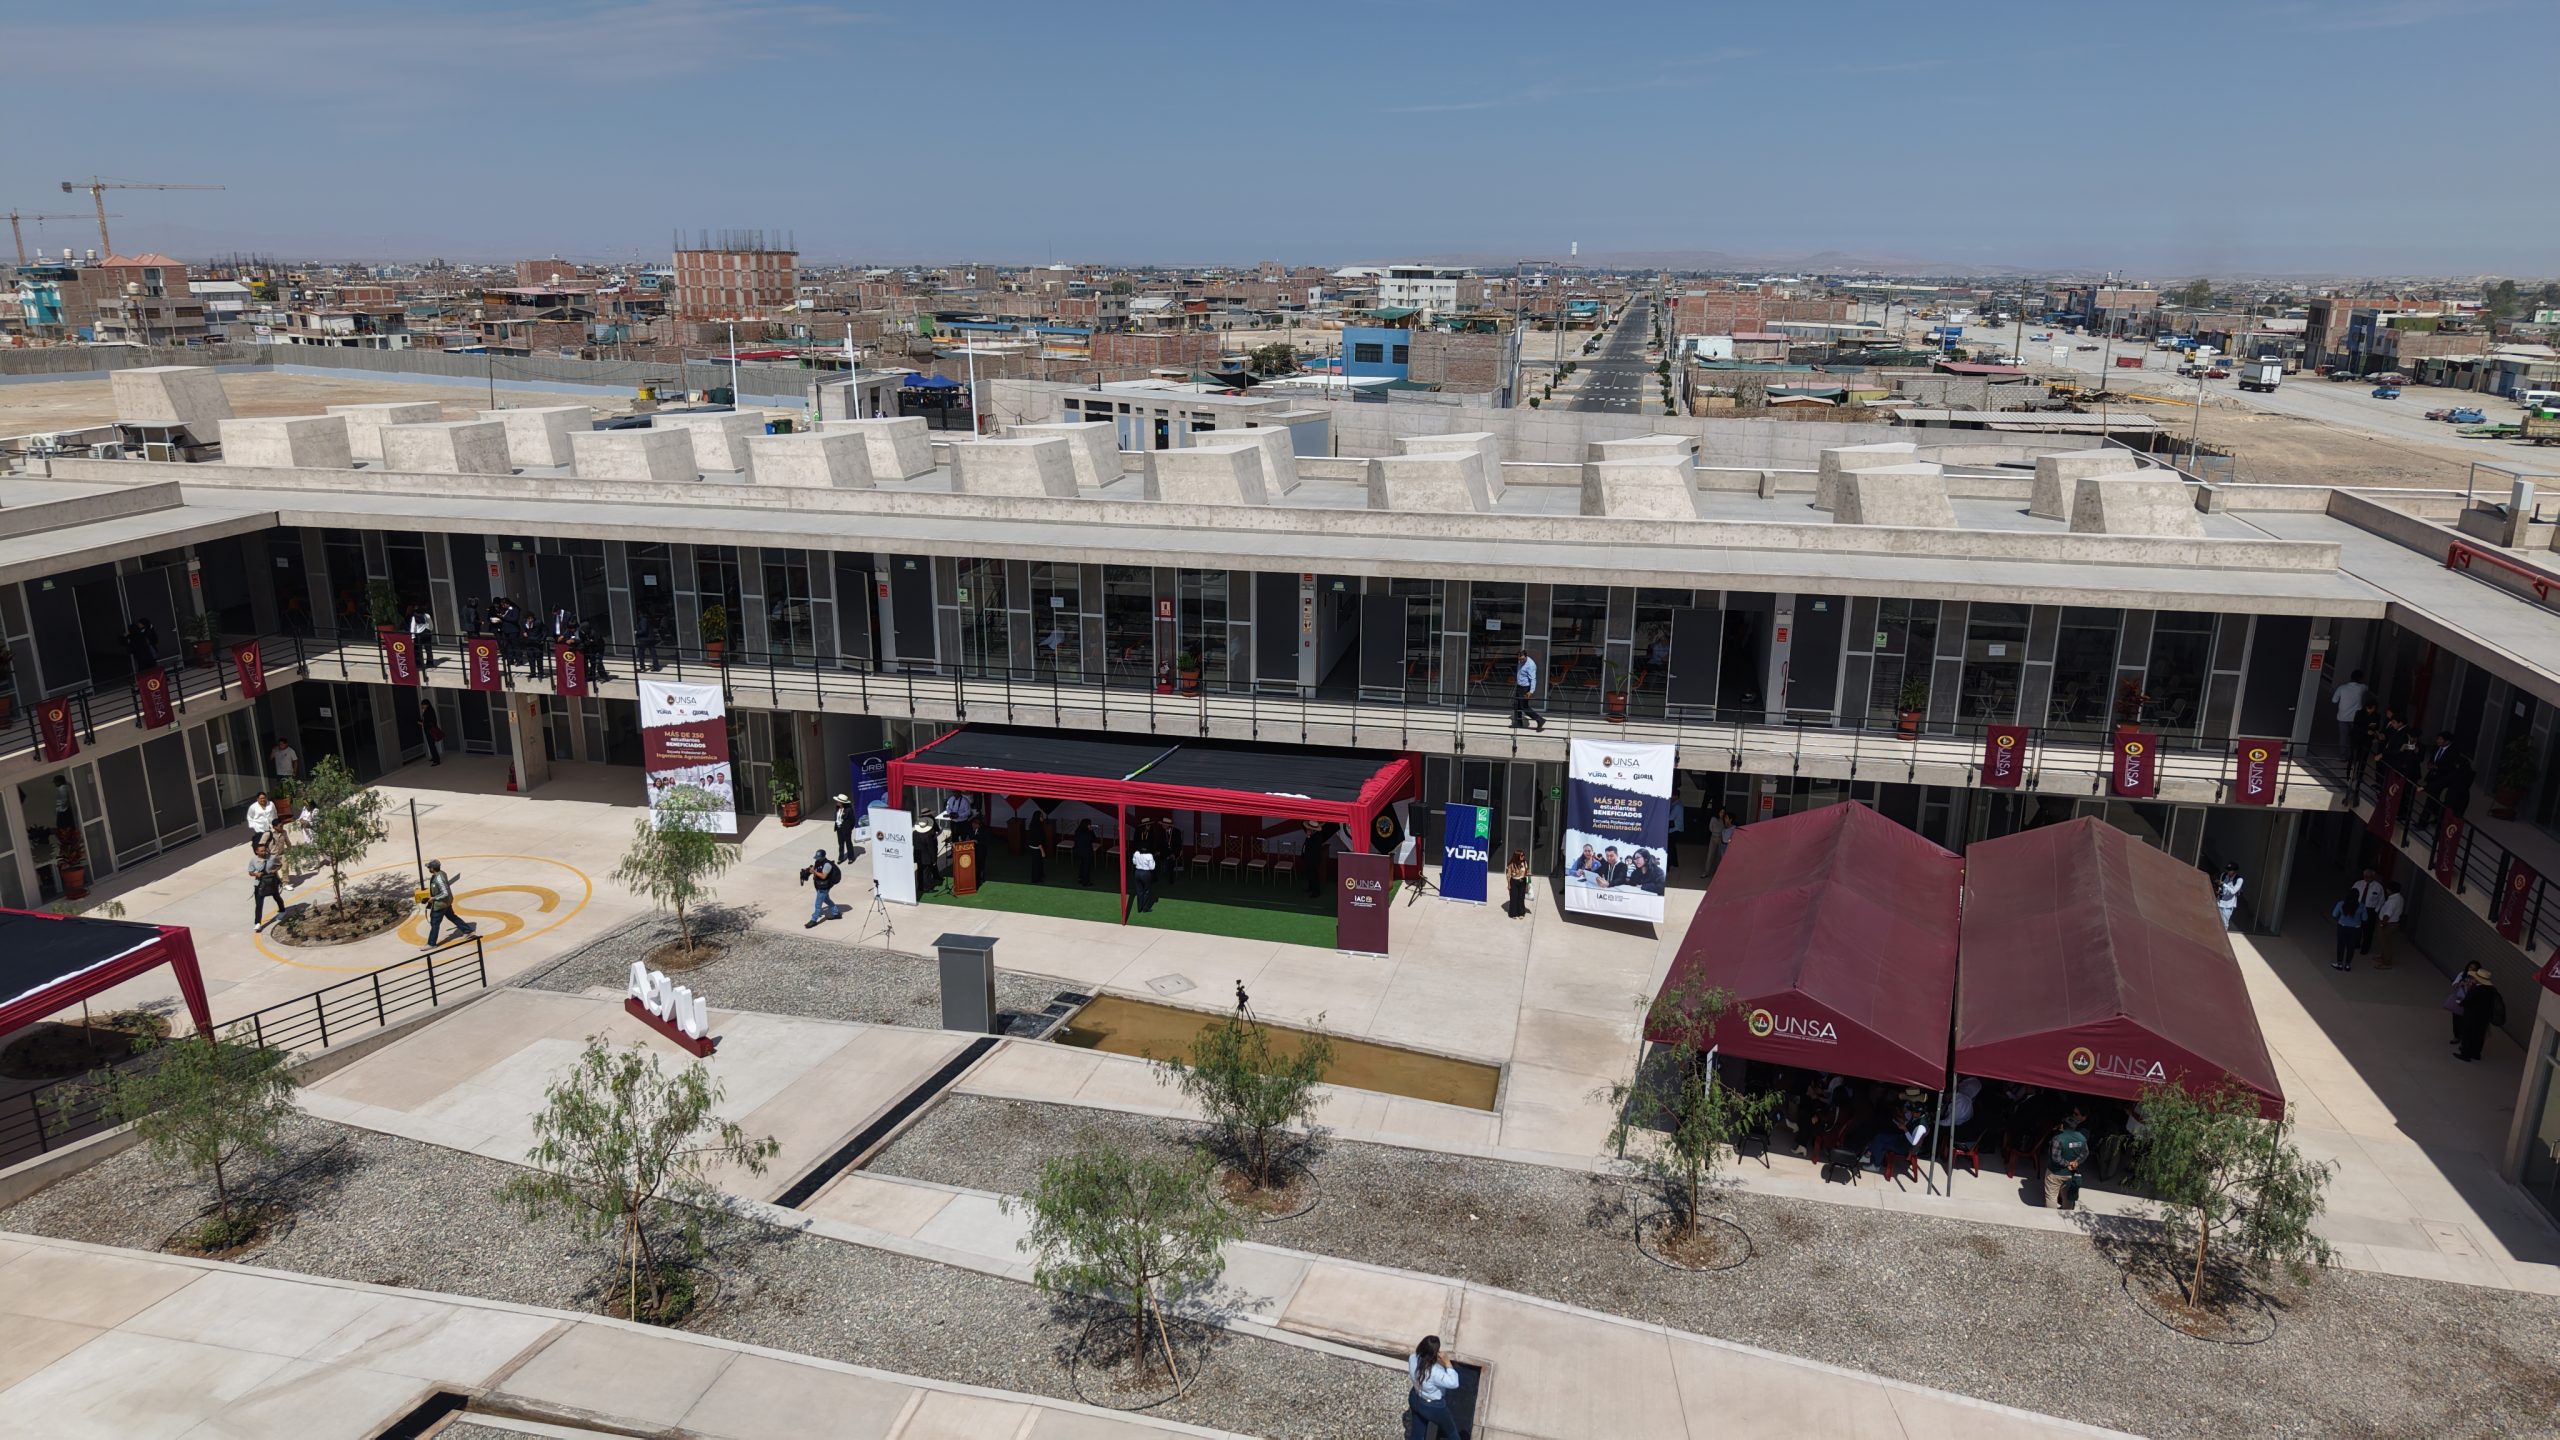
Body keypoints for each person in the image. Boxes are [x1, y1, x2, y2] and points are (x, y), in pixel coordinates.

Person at [1405, 1335, 1466, 1440]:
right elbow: (1454, 1383)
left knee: (1417, 1433)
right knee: (1451, 1431)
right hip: (1433, 1407)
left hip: (1415, 1398)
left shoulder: (1413, 1357)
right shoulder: (1434, 1372)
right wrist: (1447, 1362)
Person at [2454, 963, 2505, 1062]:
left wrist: (2461, 1002)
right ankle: (2476, 1053)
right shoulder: (2491, 990)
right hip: (2484, 1018)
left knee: (2468, 1034)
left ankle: (2465, 1054)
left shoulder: (2476, 990)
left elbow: (2466, 1002)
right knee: (2479, 1035)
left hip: (2472, 1017)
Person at [423, 859, 477, 946]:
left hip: (440, 905)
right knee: (452, 917)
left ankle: (431, 944)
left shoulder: (438, 879)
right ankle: (468, 931)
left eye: (429, 867)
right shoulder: (442, 873)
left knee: (435, 923)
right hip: (446, 903)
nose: (428, 868)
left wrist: (434, 898)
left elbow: (445, 893)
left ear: (432, 868)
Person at [2045, 1107, 2089, 1211]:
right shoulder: (2082, 1138)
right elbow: (2085, 1153)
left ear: (2063, 1125)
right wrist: (2076, 1162)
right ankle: (2066, 1216)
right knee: (2068, 1197)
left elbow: (2056, 1157)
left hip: (2055, 1172)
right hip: (2071, 1173)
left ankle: (2050, 1216)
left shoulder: (2058, 1138)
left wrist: (2067, 1164)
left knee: (2051, 1197)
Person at [2330, 668, 2369, 755]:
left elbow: (2334, 700)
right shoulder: (2361, 688)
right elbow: (2367, 688)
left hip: (2342, 716)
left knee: (2343, 737)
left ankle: (2343, 755)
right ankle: (2352, 755)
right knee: (2355, 737)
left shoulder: (2342, 688)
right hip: (2355, 718)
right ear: (2360, 679)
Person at [801, 849, 843, 927]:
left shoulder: (827, 865)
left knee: (818, 904)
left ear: (823, 857)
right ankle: (836, 913)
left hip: (824, 887)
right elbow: (814, 869)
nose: (817, 859)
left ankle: (813, 920)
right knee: (826, 899)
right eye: (816, 857)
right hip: (819, 885)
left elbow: (823, 876)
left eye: (818, 857)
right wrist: (807, 871)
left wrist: (814, 872)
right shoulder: (817, 862)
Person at [248, 839, 284, 931]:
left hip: (271, 882)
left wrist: (274, 870)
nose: (264, 852)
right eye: (261, 851)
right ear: (256, 851)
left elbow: (279, 864)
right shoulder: (253, 860)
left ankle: (282, 910)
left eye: (264, 850)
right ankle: (257, 923)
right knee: (259, 904)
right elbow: (250, 872)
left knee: (277, 897)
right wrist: (256, 874)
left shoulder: (271, 857)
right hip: (259, 884)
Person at [2328, 886, 2363, 972]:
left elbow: (2334, 914)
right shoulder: (2361, 906)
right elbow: (2365, 918)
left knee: (2341, 945)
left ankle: (2339, 964)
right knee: (2351, 947)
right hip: (2355, 929)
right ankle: (2347, 965)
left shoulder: (2341, 904)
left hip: (2342, 927)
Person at [2353, 867, 2386, 955]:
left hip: (2370, 910)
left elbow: (2381, 900)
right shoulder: (2358, 884)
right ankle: (2356, 944)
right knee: (2357, 927)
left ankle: (2365, 948)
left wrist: (2376, 910)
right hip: (2358, 908)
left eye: (2369, 877)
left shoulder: (2378, 887)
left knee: (2368, 931)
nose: (2367, 878)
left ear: (2373, 877)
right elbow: (2352, 894)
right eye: (2365, 876)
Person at [1511, 650, 1544, 732]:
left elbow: (1533, 679)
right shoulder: (1520, 661)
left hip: (1525, 688)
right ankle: (1519, 723)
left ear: (1526, 656)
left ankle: (1539, 719)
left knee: (1524, 707)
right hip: (1519, 686)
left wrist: (1531, 691)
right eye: (1519, 659)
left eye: (1522, 659)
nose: (1521, 661)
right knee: (1516, 705)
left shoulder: (1530, 665)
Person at [2375, 881, 2405, 969]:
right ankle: (2383, 957)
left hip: (2388, 924)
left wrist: (2382, 925)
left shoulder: (2392, 901)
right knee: (2387, 942)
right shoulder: (2399, 898)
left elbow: (2387, 915)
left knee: (2385, 943)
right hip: (2394, 923)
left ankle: (2386, 963)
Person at [1706, 806, 1736, 879]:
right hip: (1716, 840)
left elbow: (1730, 834)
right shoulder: (1715, 820)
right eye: (1721, 812)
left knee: (1720, 858)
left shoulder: (1729, 825)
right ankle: (1707, 872)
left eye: (1723, 813)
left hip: (1723, 843)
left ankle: (1718, 873)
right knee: (1711, 856)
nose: (1722, 814)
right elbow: (1711, 828)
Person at [1025, 808, 1052, 885]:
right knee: (1036, 864)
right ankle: (1035, 879)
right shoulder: (1037, 827)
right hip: (1037, 848)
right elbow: (1038, 840)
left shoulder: (1034, 824)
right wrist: (1042, 851)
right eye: (1041, 816)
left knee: (1039, 863)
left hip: (1034, 847)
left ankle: (1040, 875)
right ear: (1038, 817)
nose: (1042, 818)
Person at [2214, 863, 2243, 931]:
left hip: (2228, 905)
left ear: (2235, 871)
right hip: (2219, 902)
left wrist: (2224, 884)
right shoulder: (2224, 875)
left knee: (2224, 924)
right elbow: (2221, 887)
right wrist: (2219, 890)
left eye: (2230, 870)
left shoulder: (2239, 879)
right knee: (2216, 922)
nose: (2228, 871)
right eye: (2228, 870)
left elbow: (2233, 891)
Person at [831, 793, 859, 863]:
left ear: (842, 802)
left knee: (848, 843)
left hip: (846, 829)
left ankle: (851, 857)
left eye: (838, 801)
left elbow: (852, 820)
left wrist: (849, 828)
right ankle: (841, 857)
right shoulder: (837, 808)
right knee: (840, 844)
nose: (837, 802)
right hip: (839, 829)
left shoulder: (848, 810)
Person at [1130, 840, 1157, 912]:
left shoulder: (1136, 853)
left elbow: (1134, 862)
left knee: (1139, 891)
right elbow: (1152, 867)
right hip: (1146, 873)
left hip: (1137, 872)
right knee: (1147, 891)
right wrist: (1154, 861)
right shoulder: (1149, 855)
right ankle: (1145, 908)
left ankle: (1139, 908)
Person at [1504, 849, 1530, 919]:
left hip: (1522, 881)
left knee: (1521, 898)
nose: (1523, 857)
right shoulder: (1511, 864)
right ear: (1517, 856)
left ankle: (1521, 913)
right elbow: (1508, 875)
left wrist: (1528, 875)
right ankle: (1513, 914)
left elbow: (1527, 871)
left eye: (1523, 855)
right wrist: (1509, 884)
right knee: (1514, 898)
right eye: (1521, 855)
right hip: (1514, 881)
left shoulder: (1525, 862)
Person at [417, 697, 443, 766]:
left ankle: (436, 760)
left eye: (423, 705)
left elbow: (431, 722)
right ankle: (434, 758)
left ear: (426, 705)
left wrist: (422, 723)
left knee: (432, 745)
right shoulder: (428, 710)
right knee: (431, 745)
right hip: (429, 730)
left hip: (430, 730)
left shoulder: (429, 711)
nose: (422, 706)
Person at [409, 603, 436, 669]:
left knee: (418, 649)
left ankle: (419, 663)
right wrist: (431, 629)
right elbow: (431, 624)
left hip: (419, 634)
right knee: (428, 649)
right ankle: (430, 663)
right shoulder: (427, 615)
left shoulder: (414, 617)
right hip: (427, 632)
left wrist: (412, 637)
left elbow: (413, 627)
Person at [1072, 817, 1097, 888]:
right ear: (1087, 825)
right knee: (1086, 866)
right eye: (1089, 824)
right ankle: (1085, 881)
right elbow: (1094, 839)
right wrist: (1091, 831)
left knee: (1082, 864)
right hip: (1086, 852)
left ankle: (1080, 878)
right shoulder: (1087, 832)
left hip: (1079, 851)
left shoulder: (1078, 830)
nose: (1090, 825)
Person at [1666, 795, 1685, 869]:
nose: (1671, 797)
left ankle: (1670, 865)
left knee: (1670, 848)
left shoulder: (1676, 806)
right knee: (1672, 847)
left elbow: (1670, 817)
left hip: (1675, 830)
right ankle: (1674, 864)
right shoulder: (1677, 804)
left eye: (1672, 796)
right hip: (1676, 829)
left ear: (1676, 796)